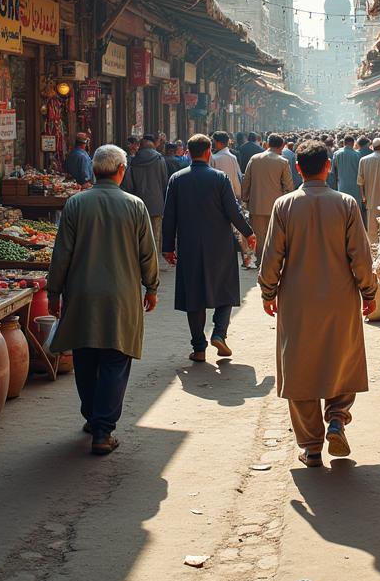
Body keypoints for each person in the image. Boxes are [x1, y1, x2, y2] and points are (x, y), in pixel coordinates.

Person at [259, 139, 377, 466]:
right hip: (340, 299)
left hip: (296, 301)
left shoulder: (284, 206)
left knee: (299, 369)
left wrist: (268, 293)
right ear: (328, 167)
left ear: (297, 168)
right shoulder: (347, 204)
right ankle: (337, 417)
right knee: (343, 358)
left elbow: (271, 259)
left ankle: (311, 446)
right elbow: (361, 259)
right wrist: (369, 292)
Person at [46, 145, 159, 455]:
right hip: (120, 298)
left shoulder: (75, 204)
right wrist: (151, 287)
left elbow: (61, 254)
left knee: (86, 358)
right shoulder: (134, 206)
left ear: (95, 171)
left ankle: (93, 418)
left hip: (82, 297)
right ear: (121, 170)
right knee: (114, 358)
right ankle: (102, 429)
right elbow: (148, 254)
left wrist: (53, 292)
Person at [162, 134, 255, 362]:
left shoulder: (177, 179)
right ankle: (219, 332)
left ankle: (199, 348)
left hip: (190, 245)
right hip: (220, 244)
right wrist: (248, 232)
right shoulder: (220, 178)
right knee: (226, 288)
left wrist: (167, 247)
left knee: (194, 294)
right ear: (208, 152)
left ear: (189, 152)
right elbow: (233, 211)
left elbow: (169, 216)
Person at [242, 134, 294, 261]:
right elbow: (288, 186)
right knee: (275, 236)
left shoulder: (254, 159)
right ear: (282, 146)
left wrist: (245, 198)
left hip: (256, 204)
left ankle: (260, 261)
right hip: (276, 206)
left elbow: (246, 180)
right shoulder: (283, 161)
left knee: (259, 237)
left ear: (267, 144)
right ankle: (272, 263)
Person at [123, 134, 170, 264]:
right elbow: (164, 182)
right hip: (157, 203)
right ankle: (152, 263)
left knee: (139, 234)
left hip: (137, 203)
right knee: (155, 235)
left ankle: (139, 261)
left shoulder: (133, 162)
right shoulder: (160, 159)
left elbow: (128, 185)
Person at [211, 130, 254, 270]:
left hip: (217, 199)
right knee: (239, 228)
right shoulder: (232, 157)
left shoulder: (214, 158)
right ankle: (246, 258)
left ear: (218, 142)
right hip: (234, 196)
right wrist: (239, 196)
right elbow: (237, 178)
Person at [358, 137, 380, 244]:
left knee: (371, 229)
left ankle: (373, 250)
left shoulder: (363, 160)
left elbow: (360, 182)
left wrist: (363, 197)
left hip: (369, 199)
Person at [331, 135, 363, 207]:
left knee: (343, 207)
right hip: (355, 187)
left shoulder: (336, 154)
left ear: (344, 143)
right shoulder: (358, 154)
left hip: (342, 186)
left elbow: (333, 171)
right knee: (355, 207)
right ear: (353, 143)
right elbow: (361, 173)